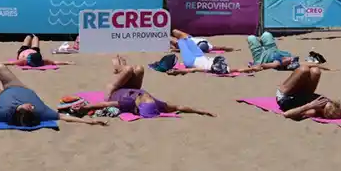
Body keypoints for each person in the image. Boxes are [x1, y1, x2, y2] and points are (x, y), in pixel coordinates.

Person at [0, 64, 107, 127]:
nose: (30, 106)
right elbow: (65, 117)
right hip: (18, 87)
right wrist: (89, 122)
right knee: (0, 67)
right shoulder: (42, 112)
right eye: (31, 109)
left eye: (26, 109)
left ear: (20, 111)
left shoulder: (3, 114)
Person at [68, 56, 215, 118]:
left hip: (114, 91)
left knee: (128, 70)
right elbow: (179, 107)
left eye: (144, 98)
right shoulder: (155, 103)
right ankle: (122, 66)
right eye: (148, 97)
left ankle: (118, 66)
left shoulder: (128, 102)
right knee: (139, 69)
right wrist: (202, 111)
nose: (147, 95)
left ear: (139, 104)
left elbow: (104, 103)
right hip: (131, 88)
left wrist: (85, 108)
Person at [275, 64, 341, 120]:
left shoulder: (312, 111)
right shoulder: (326, 102)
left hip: (284, 97)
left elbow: (286, 114)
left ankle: (290, 67)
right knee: (316, 71)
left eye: (323, 106)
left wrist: (310, 106)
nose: (324, 102)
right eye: (328, 102)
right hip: (300, 95)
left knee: (304, 69)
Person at [167, 29, 236, 75]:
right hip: (200, 56)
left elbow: (193, 70)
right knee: (183, 38)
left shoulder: (207, 68)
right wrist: (247, 69)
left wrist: (177, 72)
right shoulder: (225, 68)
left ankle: (162, 35)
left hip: (191, 61)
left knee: (181, 42)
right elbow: (238, 69)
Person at [0, 35, 73, 69]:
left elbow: (11, 63)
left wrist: (67, 62)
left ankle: (32, 36)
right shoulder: (26, 60)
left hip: (28, 52)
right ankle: (30, 35)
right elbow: (11, 63)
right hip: (28, 52)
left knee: (31, 40)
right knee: (31, 39)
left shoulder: (38, 61)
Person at [169, 30, 233, 54]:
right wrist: (229, 48)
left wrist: (175, 50)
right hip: (188, 38)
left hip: (185, 42)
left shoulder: (205, 45)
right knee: (174, 32)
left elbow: (182, 50)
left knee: (171, 39)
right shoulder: (208, 45)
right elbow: (220, 47)